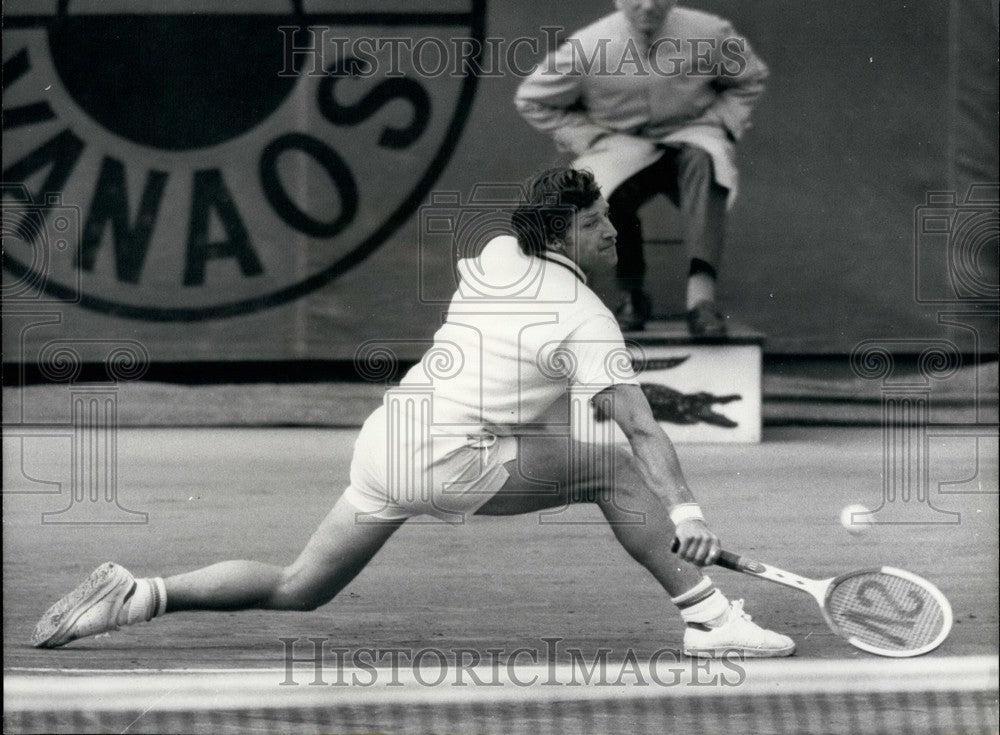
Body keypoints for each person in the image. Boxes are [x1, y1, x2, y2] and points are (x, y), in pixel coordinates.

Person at [32, 168, 793, 659]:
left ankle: (139, 595)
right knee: (614, 470)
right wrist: (685, 511)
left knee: (302, 584)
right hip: (445, 459)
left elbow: (521, 381)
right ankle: (709, 618)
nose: (613, 230)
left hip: (388, 439)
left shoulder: (499, 252)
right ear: (564, 234)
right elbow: (637, 423)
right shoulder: (586, 319)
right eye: (598, 221)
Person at [515, 0, 769, 334]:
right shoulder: (589, 45)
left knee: (706, 164)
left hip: (691, 136)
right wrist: (588, 137)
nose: (648, 7)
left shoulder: (710, 33)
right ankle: (631, 294)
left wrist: (719, 122)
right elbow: (531, 98)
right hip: (622, 144)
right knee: (603, 192)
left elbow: (750, 78)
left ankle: (701, 301)